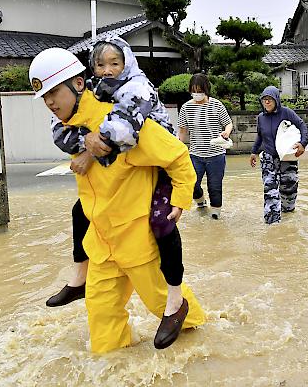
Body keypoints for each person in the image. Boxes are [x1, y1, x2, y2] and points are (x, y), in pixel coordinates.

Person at [30, 47, 205, 352]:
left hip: (138, 243)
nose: (49, 102)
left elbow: (177, 154)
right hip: (102, 245)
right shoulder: (71, 132)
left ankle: (205, 352)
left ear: (78, 85)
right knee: (101, 319)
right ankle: (115, 364)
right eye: (44, 96)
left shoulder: (124, 124)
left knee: (170, 311)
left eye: (55, 92)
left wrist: (179, 199)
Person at [249, 86, 308, 225]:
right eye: (264, 100)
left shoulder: (286, 113)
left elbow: (302, 125)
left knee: (289, 188)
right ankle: (272, 222)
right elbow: (259, 136)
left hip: (287, 157)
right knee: (270, 189)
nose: (267, 103)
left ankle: (288, 213)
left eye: (270, 99)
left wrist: (303, 143)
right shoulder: (261, 118)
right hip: (268, 157)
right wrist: (253, 152)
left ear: (276, 100)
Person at [177, 73, 233, 220]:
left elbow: (228, 123)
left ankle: (216, 217)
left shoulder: (216, 105)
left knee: (215, 187)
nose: (196, 94)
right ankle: (201, 202)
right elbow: (182, 131)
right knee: (192, 184)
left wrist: (226, 132)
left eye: (199, 91)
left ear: (206, 89)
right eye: (193, 91)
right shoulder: (186, 108)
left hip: (216, 155)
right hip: (195, 155)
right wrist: (178, 149)